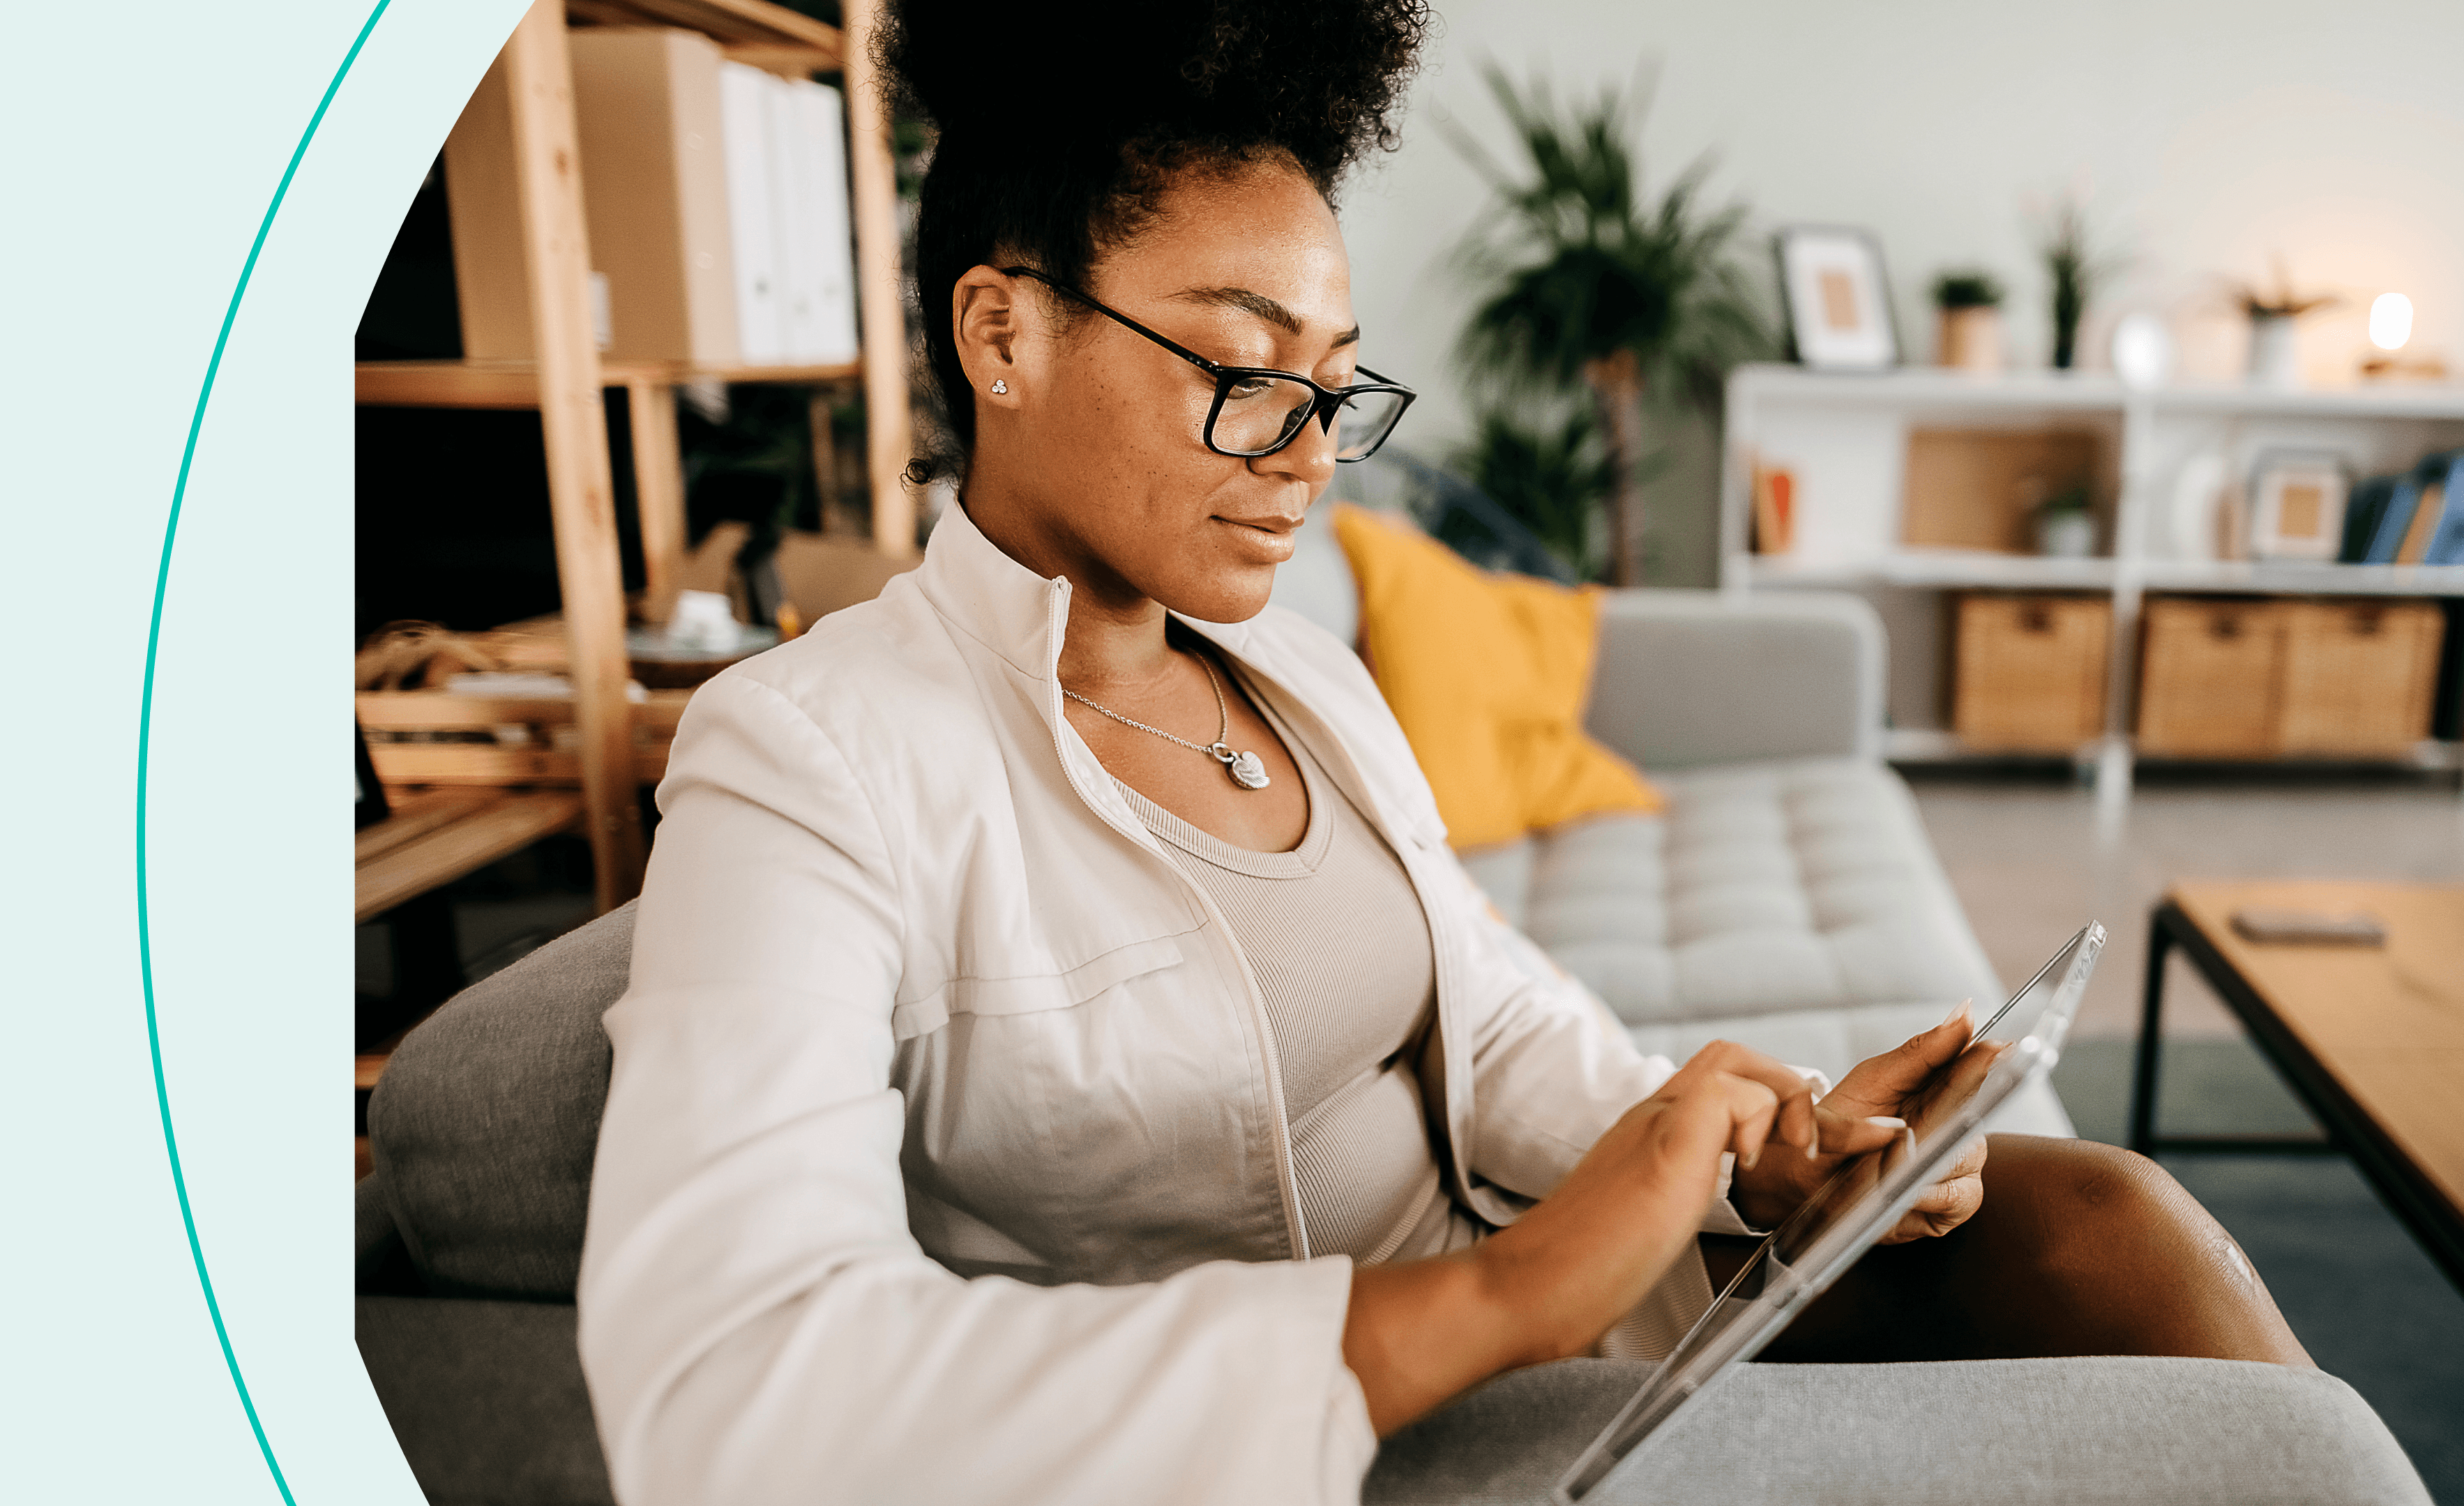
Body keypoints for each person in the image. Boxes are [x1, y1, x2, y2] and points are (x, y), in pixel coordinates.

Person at [576, 4, 2310, 1503]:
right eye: (1246, 370)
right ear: (1001, 334)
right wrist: (1505, 1300)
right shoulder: (810, 759)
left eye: (1335, 386)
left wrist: (1731, 1145)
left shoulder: (1294, 669)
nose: (1308, 456)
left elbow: (1480, 1013)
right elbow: (724, 1387)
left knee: (2108, 1224)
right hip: (1352, 1423)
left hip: (1565, 1304)